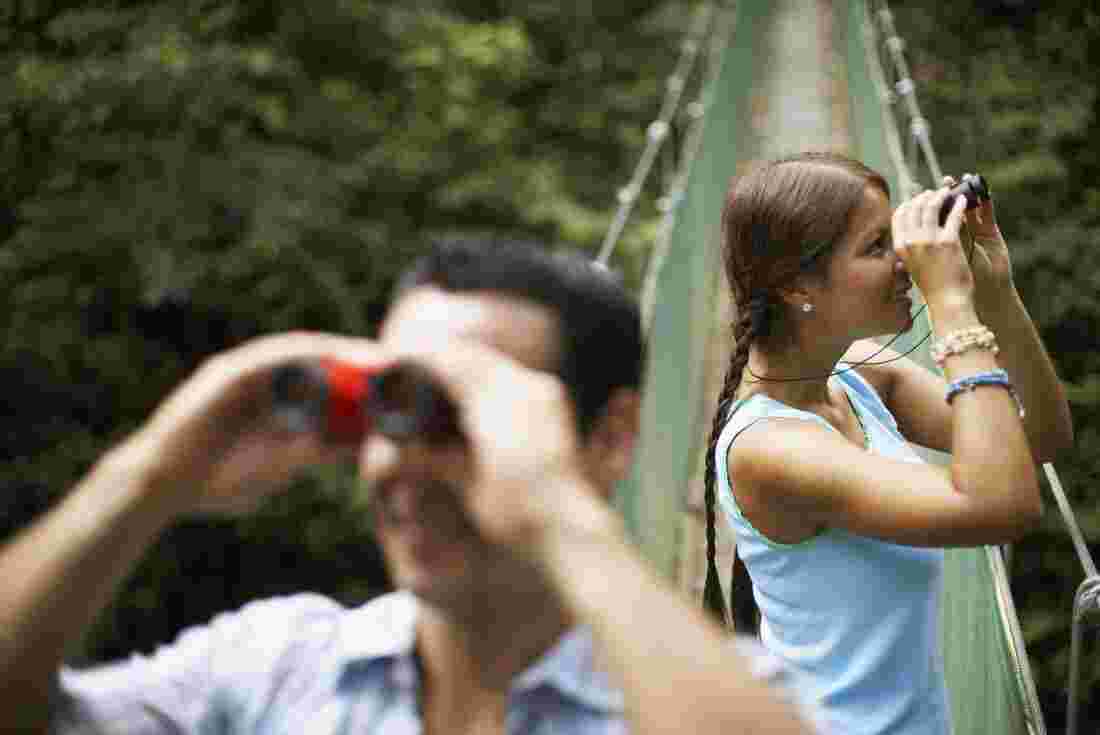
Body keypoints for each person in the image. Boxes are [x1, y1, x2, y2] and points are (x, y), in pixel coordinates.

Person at [1, 240, 823, 735]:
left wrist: (557, 512)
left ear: (610, 435)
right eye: (387, 408)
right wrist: (147, 474)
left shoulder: (708, 695)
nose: (397, 462)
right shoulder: (277, 668)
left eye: (456, 414)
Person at [700, 152, 1074, 735]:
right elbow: (1004, 506)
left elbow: (1038, 440)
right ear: (797, 284)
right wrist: (950, 305)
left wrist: (993, 293)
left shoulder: (853, 376)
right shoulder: (768, 448)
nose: (905, 261)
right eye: (877, 247)